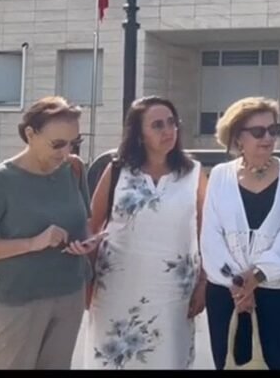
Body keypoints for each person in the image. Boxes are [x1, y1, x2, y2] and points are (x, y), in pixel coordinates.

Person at [0, 96, 101, 369]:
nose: (66, 151)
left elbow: (83, 223)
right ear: (30, 134)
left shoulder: (74, 169)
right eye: (57, 144)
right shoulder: (0, 180)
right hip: (17, 302)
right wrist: (33, 243)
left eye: (74, 142)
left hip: (69, 295)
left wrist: (86, 242)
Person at [86, 96, 207, 369]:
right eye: (157, 125)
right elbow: (92, 226)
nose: (168, 130)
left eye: (172, 122)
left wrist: (204, 282)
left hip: (173, 292)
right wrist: (86, 280)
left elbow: (206, 231)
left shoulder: (194, 173)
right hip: (116, 287)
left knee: (168, 358)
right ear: (139, 134)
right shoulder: (117, 170)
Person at [200, 97, 280, 370]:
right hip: (227, 293)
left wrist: (256, 277)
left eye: (274, 130)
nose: (268, 138)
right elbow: (211, 237)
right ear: (238, 136)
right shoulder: (219, 176)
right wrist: (238, 283)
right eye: (259, 131)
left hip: (278, 292)